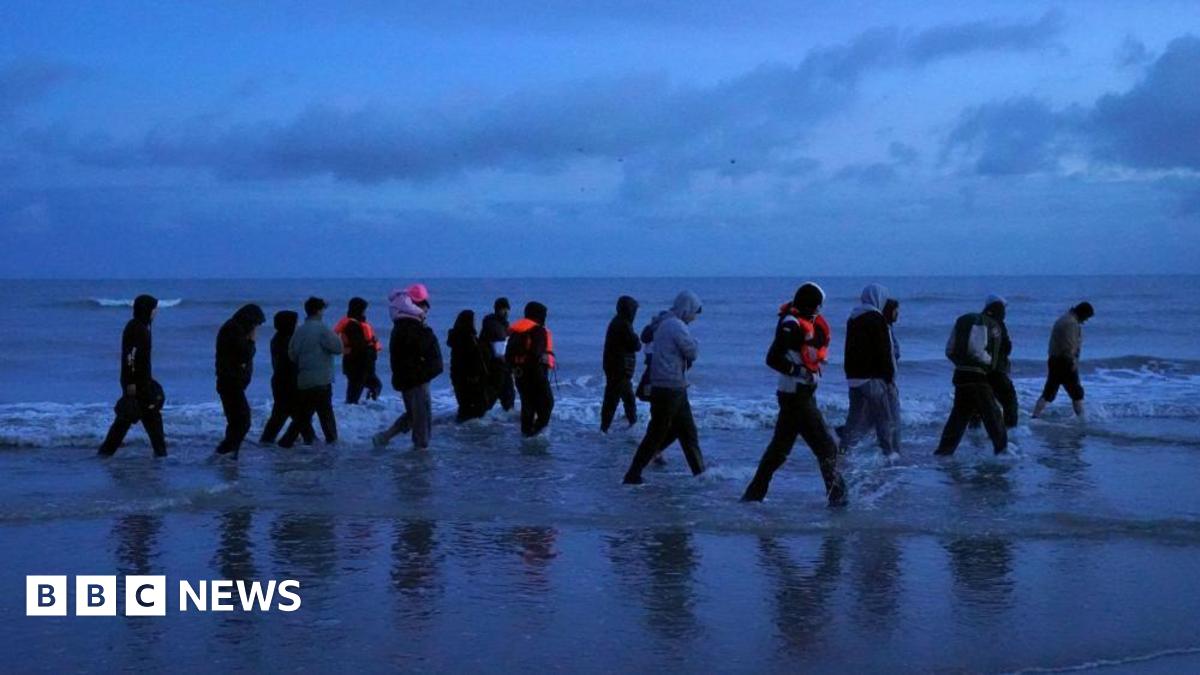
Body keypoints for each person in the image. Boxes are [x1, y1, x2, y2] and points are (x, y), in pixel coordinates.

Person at [742, 283, 846, 505]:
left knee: (779, 450)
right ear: (810, 303)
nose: (820, 310)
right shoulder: (790, 324)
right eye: (818, 305)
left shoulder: (801, 321)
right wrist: (799, 371)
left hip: (798, 394)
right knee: (826, 447)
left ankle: (753, 496)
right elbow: (773, 358)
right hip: (797, 395)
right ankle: (839, 500)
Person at [622, 291, 705, 484]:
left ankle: (700, 475)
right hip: (671, 386)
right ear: (686, 309)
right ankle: (633, 474)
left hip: (669, 384)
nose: (694, 317)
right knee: (658, 433)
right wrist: (696, 343)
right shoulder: (676, 325)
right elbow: (691, 352)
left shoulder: (665, 322)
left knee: (686, 431)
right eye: (693, 312)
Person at [373, 284, 443, 449]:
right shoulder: (414, 327)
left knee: (413, 416)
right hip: (417, 379)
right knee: (421, 421)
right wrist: (427, 332)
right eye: (425, 308)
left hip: (405, 378)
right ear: (418, 306)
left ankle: (384, 437)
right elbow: (424, 350)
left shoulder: (400, 325)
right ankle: (420, 459)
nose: (426, 313)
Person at [934, 300, 1007, 455]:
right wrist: (989, 362)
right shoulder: (984, 323)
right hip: (977, 376)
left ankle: (944, 451)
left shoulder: (963, 321)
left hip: (960, 375)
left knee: (959, 416)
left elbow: (949, 350)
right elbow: (976, 349)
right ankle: (1002, 451)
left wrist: (959, 363)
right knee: (992, 414)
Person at [98, 295, 167, 457]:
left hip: (142, 382)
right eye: (154, 309)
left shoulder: (143, 327)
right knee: (132, 418)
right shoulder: (136, 328)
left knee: (142, 418)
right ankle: (105, 453)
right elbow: (130, 357)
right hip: (136, 384)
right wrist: (130, 384)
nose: (156, 312)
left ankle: (161, 454)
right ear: (147, 310)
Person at [838, 284, 898, 457]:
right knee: (884, 417)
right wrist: (888, 378)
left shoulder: (854, 317)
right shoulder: (876, 318)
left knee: (854, 418)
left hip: (853, 377)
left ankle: (843, 451)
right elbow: (883, 350)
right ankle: (888, 454)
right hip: (872, 377)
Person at [278, 297, 342, 448]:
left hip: (304, 380)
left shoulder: (299, 331)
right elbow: (338, 349)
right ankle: (332, 444)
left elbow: (292, 354)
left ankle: (286, 441)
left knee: (303, 415)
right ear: (319, 310)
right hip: (322, 379)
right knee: (326, 414)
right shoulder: (323, 329)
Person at [214, 304, 266, 457]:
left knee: (236, 421)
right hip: (231, 382)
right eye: (256, 324)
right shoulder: (234, 330)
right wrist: (252, 340)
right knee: (243, 421)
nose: (256, 328)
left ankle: (230, 454)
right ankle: (225, 451)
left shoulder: (233, 328)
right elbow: (244, 354)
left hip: (231, 382)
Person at [1033, 302, 1094, 419]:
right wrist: (1073, 362)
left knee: (1049, 392)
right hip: (1064, 361)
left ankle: (1035, 416)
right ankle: (1082, 418)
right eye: (1086, 317)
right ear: (1082, 314)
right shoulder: (1071, 323)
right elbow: (1069, 346)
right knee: (1076, 393)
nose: (1086, 321)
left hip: (1055, 359)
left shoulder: (1064, 319)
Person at [507, 301, 556, 437]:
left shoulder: (517, 332)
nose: (545, 318)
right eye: (544, 315)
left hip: (519, 374)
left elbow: (508, 356)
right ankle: (537, 432)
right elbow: (536, 353)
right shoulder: (538, 331)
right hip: (535, 373)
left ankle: (526, 433)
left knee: (527, 405)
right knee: (547, 403)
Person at [260, 310, 306, 445]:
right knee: (292, 414)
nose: (298, 326)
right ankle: (304, 440)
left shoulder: (278, 338)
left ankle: (269, 441)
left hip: (281, 381)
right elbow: (292, 363)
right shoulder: (287, 341)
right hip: (288, 382)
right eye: (296, 323)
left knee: (284, 414)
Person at [600, 295, 641, 433]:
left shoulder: (617, 322)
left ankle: (630, 423)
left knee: (625, 397)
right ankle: (605, 428)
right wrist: (636, 339)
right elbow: (635, 344)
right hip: (620, 368)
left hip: (616, 367)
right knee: (614, 398)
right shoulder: (623, 325)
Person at [333, 297, 383, 404]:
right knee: (356, 391)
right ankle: (356, 408)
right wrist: (371, 344)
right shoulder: (352, 325)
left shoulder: (357, 323)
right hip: (357, 364)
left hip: (360, 364)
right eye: (363, 309)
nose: (365, 312)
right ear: (359, 310)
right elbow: (358, 346)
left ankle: (367, 403)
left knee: (373, 385)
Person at [447, 309, 490, 422]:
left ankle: (462, 428)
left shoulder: (457, 338)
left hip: (459, 378)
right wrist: (475, 376)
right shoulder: (467, 339)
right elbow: (472, 359)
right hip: (471, 380)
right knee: (474, 409)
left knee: (465, 407)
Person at [982, 295, 1018, 428]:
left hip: (979, 369)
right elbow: (1006, 346)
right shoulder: (998, 323)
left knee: (977, 403)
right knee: (1009, 401)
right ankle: (1010, 432)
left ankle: (975, 433)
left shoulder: (980, 321)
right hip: (996, 369)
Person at [481, 298, 515, 412]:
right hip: (496, 366)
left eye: (507, 309)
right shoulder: (494, 325)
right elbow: (500, 347)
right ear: (497, 310)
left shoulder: (500, 324)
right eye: (503, 309)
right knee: (499, 394)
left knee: (504, 395)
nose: (506, 312)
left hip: (500, 366)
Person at [882, 297, 902, 451]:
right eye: (896, 311)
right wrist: (889, 379)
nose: (898, 314)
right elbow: (889, 354)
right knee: (893, 418)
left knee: (869, 419)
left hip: (887, 379)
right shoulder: (884, 329)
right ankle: (893, 452)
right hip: (886, 380)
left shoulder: (888, 328)